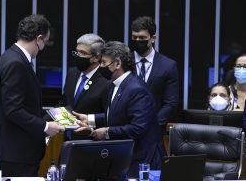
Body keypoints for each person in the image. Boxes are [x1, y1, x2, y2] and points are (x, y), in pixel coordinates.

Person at [0, 14, 64, 177]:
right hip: (14, 152)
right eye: (45, 42)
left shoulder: (9, 56)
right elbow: (13, 110)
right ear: (39, 39)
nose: (44, 47)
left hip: (11, 149)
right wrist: (46, 127)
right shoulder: (16, 63)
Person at [74, 41, 165, 178]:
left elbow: (138, 128)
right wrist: (90, 119)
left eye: (104, 63)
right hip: (125, 157)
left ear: (117, 64)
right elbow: (116, 113)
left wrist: (107, 132)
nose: (101, 67)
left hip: (142, 160)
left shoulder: (137, 89)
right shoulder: (114, 84)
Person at [129, 16, 179, 133]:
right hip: (126, 128)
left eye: (142, 38)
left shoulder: (168, 66)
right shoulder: (123, 62)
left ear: (153, 38)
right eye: (134, 37)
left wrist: (152, 124)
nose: (137, 41)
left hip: (154, 130)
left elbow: (171, 103)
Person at [59, 33, 110, 140]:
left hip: (91, 142)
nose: (78, 56)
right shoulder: (72, 73)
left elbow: (110, 115)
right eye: (77, 51)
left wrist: (90, 125)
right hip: (66, 140)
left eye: (82, 53)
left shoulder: (107, 81)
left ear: (96, 57)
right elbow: (65, 102)